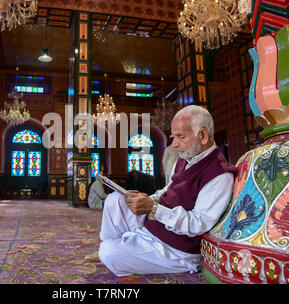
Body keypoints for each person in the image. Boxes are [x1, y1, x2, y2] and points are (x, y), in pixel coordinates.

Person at [96, 105, 238, 276]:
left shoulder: (219, 175)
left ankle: (116, 249)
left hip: (176, 249)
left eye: (180, 137)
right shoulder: (185, 157)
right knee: (114, 200)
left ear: (202, 135)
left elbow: (197, 224)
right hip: (155, 224)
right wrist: (148, 198)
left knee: (108, 252)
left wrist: (153, 209)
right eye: (173, 137)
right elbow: (169, 189)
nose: (174, 144)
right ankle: (124, 245)